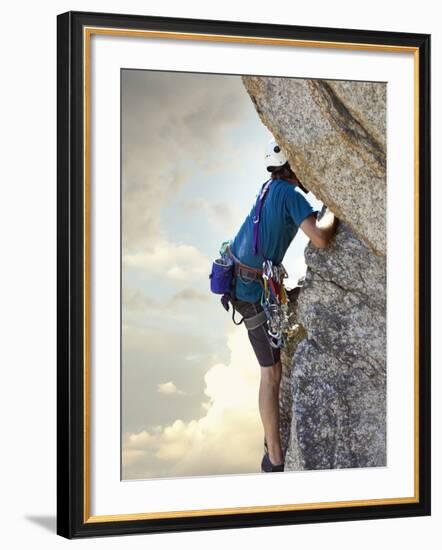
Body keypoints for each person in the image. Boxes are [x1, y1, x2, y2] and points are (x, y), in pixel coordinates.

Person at [227, 138, 337, 473]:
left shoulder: (268, 188)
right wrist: (333, 209)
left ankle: (271, 450)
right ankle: (274, 459)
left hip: (241, 281)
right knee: (271, 373)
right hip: (250, 291)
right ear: (291, 166)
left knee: (271, 370)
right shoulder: (290, 194)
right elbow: (320, 238)